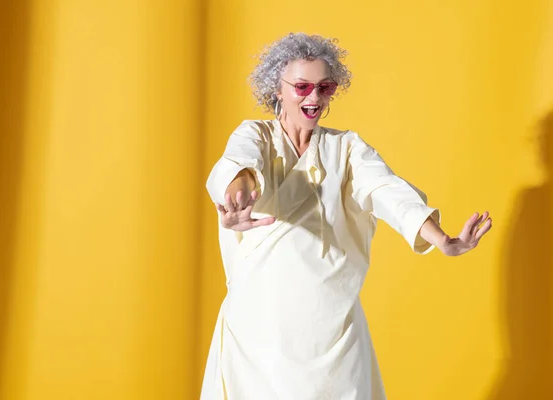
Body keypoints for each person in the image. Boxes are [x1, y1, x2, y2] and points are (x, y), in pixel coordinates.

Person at [201, 33, 492, 400]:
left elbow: (388, 191)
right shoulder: (255, 135)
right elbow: (239, 164)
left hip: (334, 330)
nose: (314, 98)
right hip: (258, 332)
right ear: (277, 87)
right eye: (303, 86)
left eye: (325, 87)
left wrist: (442, 240)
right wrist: (238, 196)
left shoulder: (347, 148)